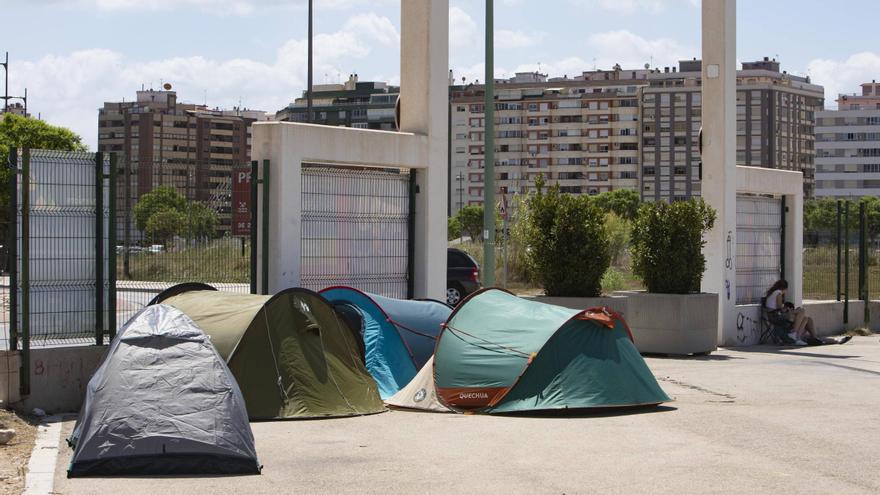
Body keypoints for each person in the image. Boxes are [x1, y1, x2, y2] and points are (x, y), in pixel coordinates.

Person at [764, 280, 851, 345]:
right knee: (801, 310)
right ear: (784, 288)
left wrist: (790, 311)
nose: (785, 292)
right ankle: (795, 333)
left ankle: (814, 337)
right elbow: (780, 309)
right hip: (776, 316)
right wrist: (790, 311)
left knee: (807, 318)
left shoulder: (773, 293)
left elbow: (779, 308)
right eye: (786, 290)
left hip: (777, 315)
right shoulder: (778, 293)